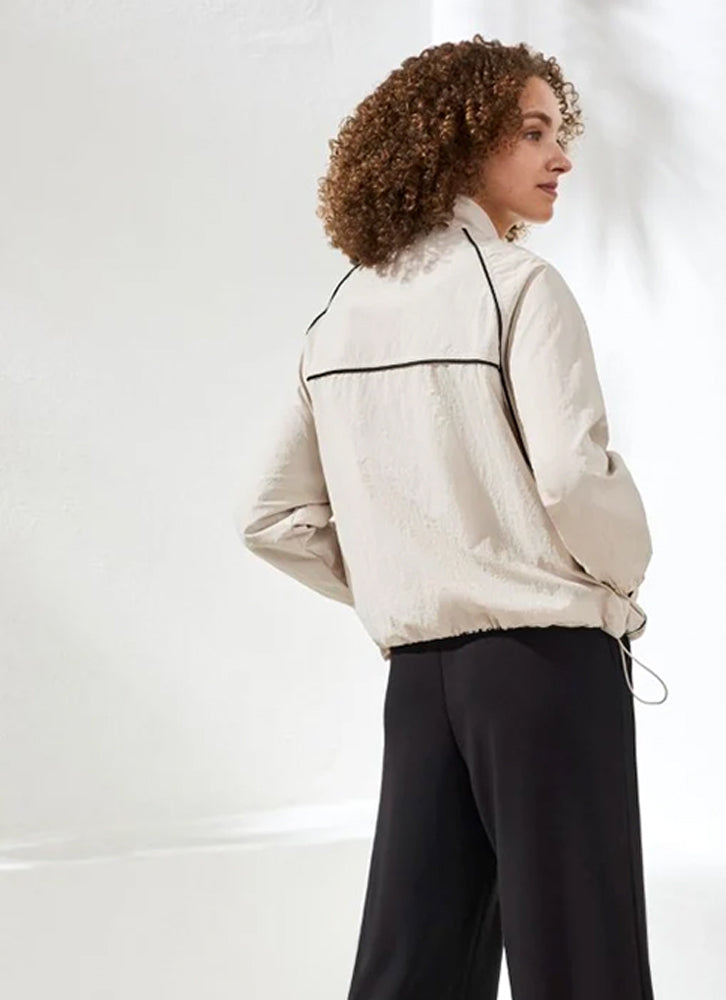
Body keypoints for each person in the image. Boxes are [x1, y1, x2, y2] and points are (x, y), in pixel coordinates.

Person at [235, 33, 665, 1000]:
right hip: (545, 667)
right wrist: (619, 578)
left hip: (420, 677)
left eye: (558, 131)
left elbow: (270, 516)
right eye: (533, 132)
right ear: (461, 141)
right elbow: (571, 476)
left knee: (413, 966)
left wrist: (410, 574)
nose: (562, 157)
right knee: (583, 963)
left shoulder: (342, 313)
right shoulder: (520, 288)